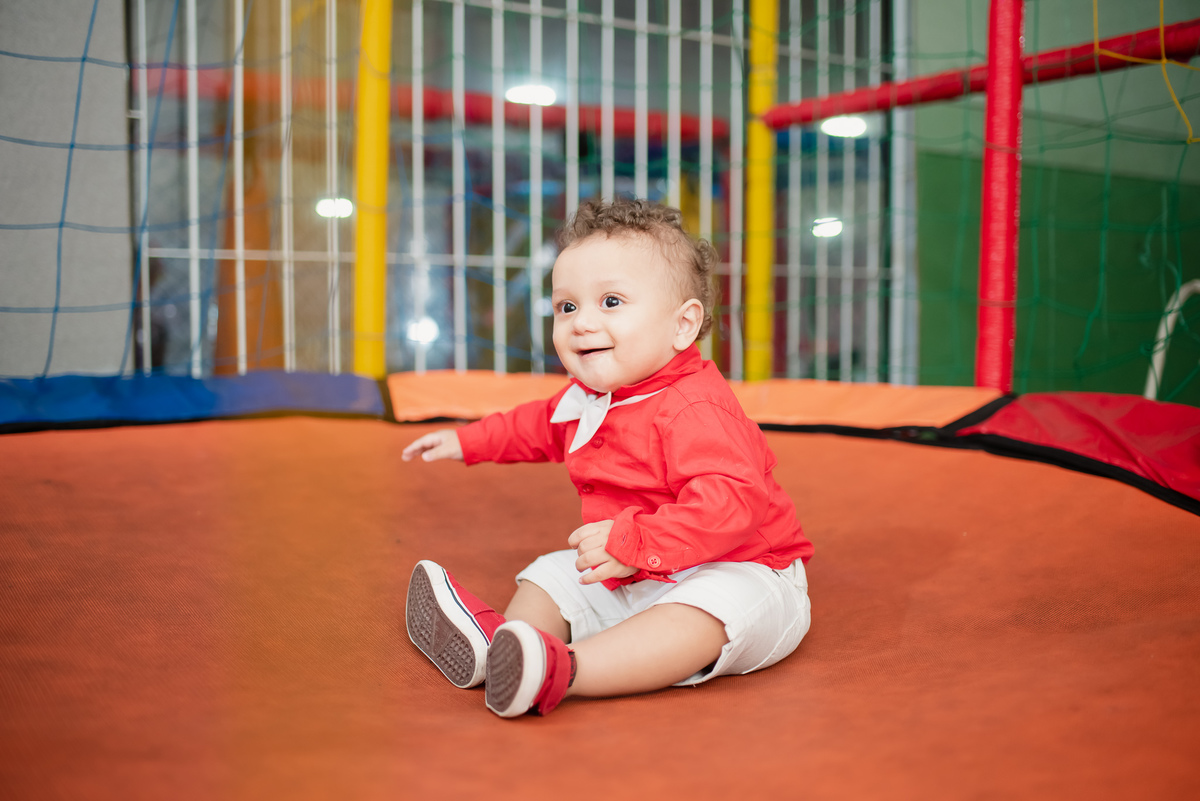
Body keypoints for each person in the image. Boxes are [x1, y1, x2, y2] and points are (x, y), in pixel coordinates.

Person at [402, 198, 813, 718]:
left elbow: (732, 502)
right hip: (642, 567)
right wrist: (468, 442)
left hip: (743, 570)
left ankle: (566, 671)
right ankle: (505, 648)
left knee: (700, 614)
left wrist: (641, 542)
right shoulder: (593, 397)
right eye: (567, 307)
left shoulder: (695, 409)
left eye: (611, 302)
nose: (580, 323)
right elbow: (534, 427)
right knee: (548, 577)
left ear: (682, 326)